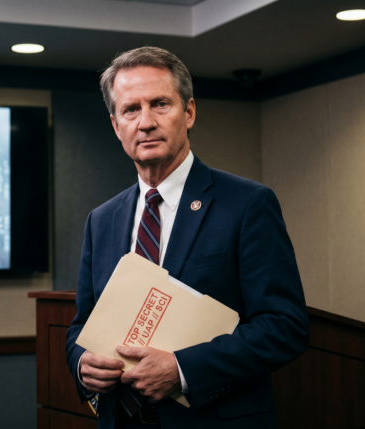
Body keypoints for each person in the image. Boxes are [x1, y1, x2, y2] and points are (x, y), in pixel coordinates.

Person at [65, 46, 310, 428]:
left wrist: (182, 369)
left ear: (189, 112)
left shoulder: (247, 204)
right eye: (131, 109)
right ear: (116, 126)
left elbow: (285, 326)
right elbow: (80, 326)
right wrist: (82, 362)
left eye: (160, 104)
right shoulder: (102, 220)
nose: (145, 122)